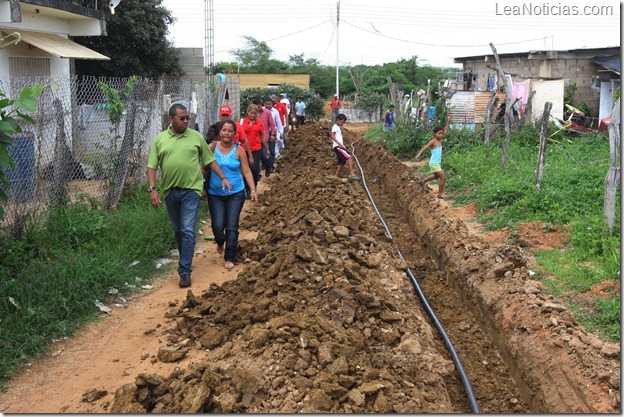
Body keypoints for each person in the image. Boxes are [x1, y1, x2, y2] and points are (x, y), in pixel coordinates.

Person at [147, 104, 232, 288]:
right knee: (179, 231)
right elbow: (152, 166)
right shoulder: (160, 140)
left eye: (187, 118)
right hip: (170, 191)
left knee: (187, 229)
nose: (186, 121)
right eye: (182, 118)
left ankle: (184, 271)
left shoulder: (195, 137)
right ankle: (185, 257)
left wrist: (223, 177)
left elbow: (209, 160)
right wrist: (152, 189)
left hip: (191, 191)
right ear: (171, 119)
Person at [204, 120, 258, 270]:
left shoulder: (239, 150)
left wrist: (253, 190)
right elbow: (204, 168)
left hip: (236, 193)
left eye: (230, 131)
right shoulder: (212, 148)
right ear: (219, 133)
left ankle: (230, 256)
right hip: (215, 194)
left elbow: (246, 171)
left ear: (235, 134)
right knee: (217, 225)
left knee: (232, 226)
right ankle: (220, 241)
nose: (227, 133)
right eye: (224, 130)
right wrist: (202, 187)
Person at [415, 116, 452, 199]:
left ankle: (422, 181)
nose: (441, 135)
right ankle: (440, 194)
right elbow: (425, 148)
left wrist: (448, 122)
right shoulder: (433, 141)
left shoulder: (440, 140)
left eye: (442, 133)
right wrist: (419, 154)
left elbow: (445, 130)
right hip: (434, 163)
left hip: (437, 163)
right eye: (439, 133)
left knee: (436, 177)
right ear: (434, 134)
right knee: (443, 177)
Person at [240, 104, 269, 190]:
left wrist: (267, 149)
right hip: (244, 149)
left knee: (255, 169)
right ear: (248, 112)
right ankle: (248, 189)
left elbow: (262, 137)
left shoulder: (259, 123)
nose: (252, 115)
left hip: (256, 149)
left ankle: (254, 187)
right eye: (251, 113)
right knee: (246, 169)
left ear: (257, 114)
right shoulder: (242, 122)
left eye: (254, 113)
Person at [330, 113, 360, 181]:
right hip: (338, 146)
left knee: (342, 162)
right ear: (338, 120)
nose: (343, 124)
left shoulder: (337, 127)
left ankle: (335, 176)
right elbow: (332, 135)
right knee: (349, 156)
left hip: (339, 146)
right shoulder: (335, 127)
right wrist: (339, 144)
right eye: (342, 122)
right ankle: (351, 174)